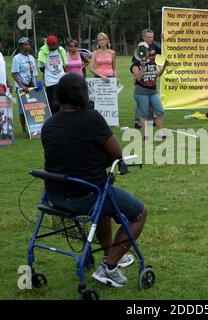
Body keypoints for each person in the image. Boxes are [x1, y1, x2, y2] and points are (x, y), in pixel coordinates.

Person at [41, 73, 146, 287]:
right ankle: (110, 266)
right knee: (139, 214)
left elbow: (65, 155)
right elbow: (117, 153)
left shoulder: (49, 124)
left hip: (54, 197)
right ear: (82, 94)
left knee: (104, 208)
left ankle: (110, 253)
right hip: (86, 195)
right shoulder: (92, 118)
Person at [131, 47, 168, 139]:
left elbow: (159, 74)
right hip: (141, 92)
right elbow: (138, 78)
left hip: (153, 92)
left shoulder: (153, 62)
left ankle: (160, 133)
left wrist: (164, 66)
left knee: (160, 112)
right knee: (144, 114)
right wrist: (142, 66)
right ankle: (146, 135)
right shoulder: (135, 65)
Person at [132, 29, 162, 128]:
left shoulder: (154, 45)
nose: (151, 39)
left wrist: (164, 41)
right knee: (142, 100)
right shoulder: (140, 48)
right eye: (149, 37)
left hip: (151, 74)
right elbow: (135, 64)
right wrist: (135, 78)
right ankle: (138, 121)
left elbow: (163, 51)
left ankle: (150, 120)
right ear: (143, 37)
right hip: (141, 75)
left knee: (151, 100)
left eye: (152, 37)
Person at [11, 37, 38, 135]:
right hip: (22, 87)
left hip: (31, 86)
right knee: (22, 109)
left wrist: (36, 86)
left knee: (32, 107)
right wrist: (22, 86)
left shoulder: (31, 57)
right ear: (20, 47)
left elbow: (35, 73)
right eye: (25, 45)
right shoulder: (17, 58)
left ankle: (33, 127)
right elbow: (14, 74)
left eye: (28, 44)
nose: (27, 46)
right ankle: (23, 130)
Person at [38, 35, 67, 114]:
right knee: (53, 105)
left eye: (56, 45)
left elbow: (65, 65)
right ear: (48, 45)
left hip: (61, 81)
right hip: (51, 83)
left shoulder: (61, 50)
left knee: (63, 103)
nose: (55, 47)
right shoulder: (42, 52)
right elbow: (41, 68)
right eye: (53, 46)